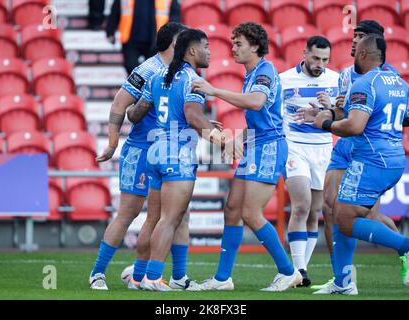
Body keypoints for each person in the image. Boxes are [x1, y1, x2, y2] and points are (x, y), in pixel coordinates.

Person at [192, 22, 302, 292]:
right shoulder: (252, 73)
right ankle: (222, 279)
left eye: (239, 43)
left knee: (251, 213)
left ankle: (289, 272)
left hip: (269, 147)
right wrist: (236, 140)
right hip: (257, 144)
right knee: (232, 209)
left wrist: (214, 90)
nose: (233, 48)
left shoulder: (264, 71)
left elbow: (255, 103)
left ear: (255, 46)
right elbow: (259, 119)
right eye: (233, 43)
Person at [295, 20, 405, 290]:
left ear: (370, 47)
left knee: (352, 217)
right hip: (355, 149)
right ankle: (343, 280)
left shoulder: (371, 80)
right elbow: (348, 113)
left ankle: (404, 247)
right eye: (353, 37)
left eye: (361, 39)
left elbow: (356, 123)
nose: (354, 44)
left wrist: (326, 123)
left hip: (368, 152)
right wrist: (331, 112)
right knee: (334, 209)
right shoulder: (362, 77)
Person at [89, 22, 191, 291]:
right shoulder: (147, 69)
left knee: (178, 213)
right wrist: (112, 143)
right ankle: (97, 273)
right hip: (141, 148)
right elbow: (119, 105)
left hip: (169, 149)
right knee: (129, 212)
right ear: (173, 43)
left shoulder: (186, 70)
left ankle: (175, 277)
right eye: (185, 40)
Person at [126, 28, 230, 292]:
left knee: (153, 219)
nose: (209, 52)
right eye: (206, 46)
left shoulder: (158, 75)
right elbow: (193, 117)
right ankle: (153, 277)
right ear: (192, 51)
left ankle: (138, 278)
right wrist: (224, 141)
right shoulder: (193, 80)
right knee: (170, 220)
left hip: (155, 151)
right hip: (177, 155)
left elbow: (136, 114)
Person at [279, 36, 339, 287]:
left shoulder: (336, 80)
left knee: (315, 211)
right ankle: (299, 270)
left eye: (325, 59)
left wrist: (331, 107)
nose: (320, 64)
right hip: (295, 148)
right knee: (302, 205)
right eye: (316, 58)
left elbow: (345, 115)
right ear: (304, 53)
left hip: (323, 149)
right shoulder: (284, 80)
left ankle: (302, 267)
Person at [106, 0, 181, 75]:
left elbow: (175, 14)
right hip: (130, 39)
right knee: (130, 66)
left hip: (156, 40)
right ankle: (136, 85)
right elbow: (115, 11)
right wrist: (110, 31)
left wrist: (171, 33)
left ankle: (148, 85)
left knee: (154, 70)